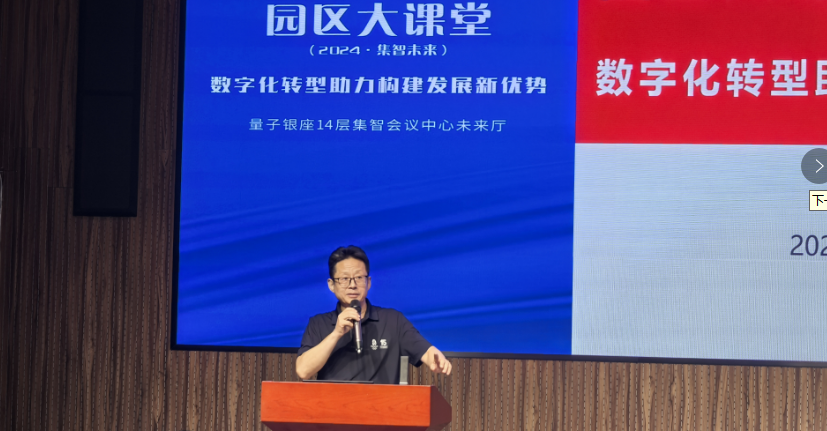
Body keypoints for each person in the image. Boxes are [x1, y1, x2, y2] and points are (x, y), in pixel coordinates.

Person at [296, 245, 452, 383]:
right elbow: (303, 371)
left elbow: (425, 351)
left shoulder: (393, 320)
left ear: (368, 282)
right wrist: (336, 334)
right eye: (344, 278)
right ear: (331, 285)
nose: (352, 285)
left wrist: (435, 358)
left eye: (358, 277)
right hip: (334, 406)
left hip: (382, 406)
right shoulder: (318, 323)